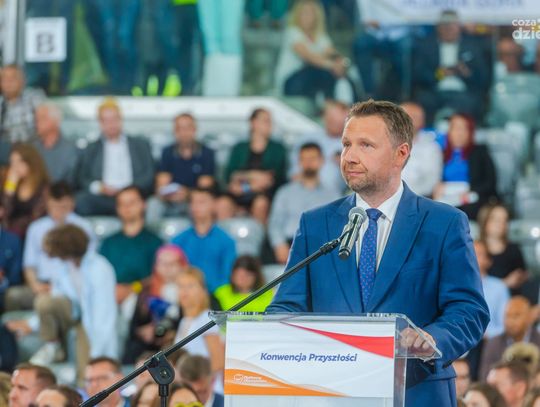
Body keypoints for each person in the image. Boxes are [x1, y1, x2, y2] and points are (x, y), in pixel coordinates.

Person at [267, 100, 490, 406]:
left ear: (401, 154)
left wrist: (432, 339)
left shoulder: (444, 223)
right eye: (346, 144)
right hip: (333, 394)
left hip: (416, 393)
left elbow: (468, 310)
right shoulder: (316, 224)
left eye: (366, 145)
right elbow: (286, 306)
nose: (350, 156)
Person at [30, 224, 118, 378]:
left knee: (86, 373)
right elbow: (57, 296)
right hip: (72, 314)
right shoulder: (64, 266)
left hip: (92, 323)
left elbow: (103, 315)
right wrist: (32, 324)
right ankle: (53, 345)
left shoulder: (100, 268)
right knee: (44, 302)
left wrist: (96, 353)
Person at [5, 181, 94, 312]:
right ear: (47, 204)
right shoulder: (36, 228)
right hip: (42, 285)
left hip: (73, 287)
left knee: (46, 304)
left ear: (72, 203)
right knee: (13, 296)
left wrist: (60, 287)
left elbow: (89, 263)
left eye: (62, 207)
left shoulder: (83, 227)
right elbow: (29, 265)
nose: (58, 211)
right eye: (54, 206)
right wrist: (35, 285)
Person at [75, 98, 154, 216]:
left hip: (133, 195)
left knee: (149, 204)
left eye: (114, 119)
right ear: (100, 123)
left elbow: (149, 175)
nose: (111, 124)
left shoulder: (140, 145)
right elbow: (82, 178)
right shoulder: (91, 149)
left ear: (121, 119)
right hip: (103, 197)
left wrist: (130, 189)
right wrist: (99, 188)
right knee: (80, 201)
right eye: (106, 120)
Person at [411, 10, 489, 125]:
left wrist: (466, 73)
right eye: (445, 25)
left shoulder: (473, 47)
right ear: (438, 27)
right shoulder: (426, 46)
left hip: (463, 91)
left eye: (452, 25)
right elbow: (418, 74)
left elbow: (483, 77)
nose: (448, 29)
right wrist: (440, 74)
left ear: (459, 26)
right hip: (435, 91)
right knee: (425, 99)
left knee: (470, 102)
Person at [269, 142, 340, 264]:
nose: (309, 163)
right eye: (304, 159)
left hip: (321, 248)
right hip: (289, 245)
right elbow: (275, 223)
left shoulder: (333, 195)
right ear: (299, 162)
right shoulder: (285, 192)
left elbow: (337, 227)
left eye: (312, 158)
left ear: (322, 161)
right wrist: (279, 245)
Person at [274, 0, 354, 102]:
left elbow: (332, 53)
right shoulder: (293, 32)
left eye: (310, 13)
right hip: (290, 82)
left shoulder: (320, 36)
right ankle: (328, 103)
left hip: (310, 81)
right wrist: (332, 66)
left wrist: (342, 63)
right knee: (319, 71)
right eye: (304, 13)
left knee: (347, 78)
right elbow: (309, 57)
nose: (307, 17)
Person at [123, 244, 188, 364]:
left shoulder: (188, 291)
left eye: (172, 264)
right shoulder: (145, 291)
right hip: (144, 350)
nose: (167, 268)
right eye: (163, 263)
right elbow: (133, 327)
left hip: (175, 350)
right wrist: (143, 331)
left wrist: (173, 333)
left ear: (182, 265)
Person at [99, 186, 162, 305]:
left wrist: (132, 289)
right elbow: (99, 274)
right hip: (109, 297)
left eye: (132, 203)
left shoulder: (155, 242)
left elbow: (158, 276)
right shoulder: (108, 243)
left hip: (142, 301)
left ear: (143, 204)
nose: (127, 207)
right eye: (122, 204)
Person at [147, 113, 215, 222]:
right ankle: (151, 233)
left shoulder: (206, 153)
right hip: (170, 199)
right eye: (180, 129)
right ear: (175, 131)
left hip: (192, 200)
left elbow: (205, 187)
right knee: (153, 204)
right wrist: (169, 194)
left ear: (195, 130)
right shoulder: (167, 152)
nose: (184, 133)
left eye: (188, 128)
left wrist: (187, 193)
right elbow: (162, 184)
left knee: (201, 202)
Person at [171, 187, 236, 294]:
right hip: (185, 294)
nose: (195, 206)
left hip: (216, 297)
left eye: (201, 202)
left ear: (214, 205)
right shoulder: (179, 240)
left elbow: (227, 276)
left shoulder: (226, 241)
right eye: (192, 202)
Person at [433, 113, 497, 220]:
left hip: (472, 199)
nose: (459, 133)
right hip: (446, 197)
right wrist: (437, 187)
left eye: (463, 129)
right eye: (455, 128)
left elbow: (490, 182)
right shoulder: (440, 153)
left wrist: (469, 190)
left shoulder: (480, 152)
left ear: (470, 132)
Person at [224, 108, 287, 213]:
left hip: (265, 195)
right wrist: (254, 175)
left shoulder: (278, 149)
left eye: (270, 121)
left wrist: (245, 186)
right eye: (265, 121)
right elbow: (230, 175)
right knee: (223, 204)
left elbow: (270, 179)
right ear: (253, 123)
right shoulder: (239, 148)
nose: (270, 125)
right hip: (237, 192)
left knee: (260, 204)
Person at [174, 267, 225, 380]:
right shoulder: (184, 321)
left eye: (190, 286)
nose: (184, 291)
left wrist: (200, 384)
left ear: (202, 290)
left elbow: (218, 361)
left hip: (203, 385)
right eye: (180, 286)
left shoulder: (206, 319)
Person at [289, 99, 349, 194]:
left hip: (334, 195)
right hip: (302, 191)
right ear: (325, 118)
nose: (336, 124)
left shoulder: (352, 144)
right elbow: (293, 170)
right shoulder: (307, 139)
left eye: (340, 121)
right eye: (332, 120)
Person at [479, 296, 540, 380]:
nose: (510, 321)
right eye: (507, 316)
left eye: (516, 316)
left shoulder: (538, 340)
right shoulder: (493, 344)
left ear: (529, 317)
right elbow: (485, 376)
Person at [478, 204, 529, 297]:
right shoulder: (475, 249)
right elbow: (474, 283)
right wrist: (505, 283)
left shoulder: (514, 248)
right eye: (496, 220)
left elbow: (525, 274)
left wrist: (520, 277)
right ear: (485, 221)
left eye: (505, 220)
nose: (501, 224)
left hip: (513, 299)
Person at [1, 143, 49, 238]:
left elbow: (36, 218)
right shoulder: (10, 182)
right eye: (12, 162)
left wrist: (10, 227)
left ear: (31, 162)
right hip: (8, 236)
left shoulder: (44, 188)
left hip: (30, 235)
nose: (14, 167)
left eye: (19, 162)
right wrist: (10, 187)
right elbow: (5, 211)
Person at [400, 102, 443, 197]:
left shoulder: (431, 147)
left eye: (414, 117)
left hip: (417, 198)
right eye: (406, 115)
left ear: (422, 122)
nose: (409, 120)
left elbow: (431, 181)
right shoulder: (384, 143)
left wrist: (405, 196)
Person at [32, 103, 79, 186]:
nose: (37, 122)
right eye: (36, 119)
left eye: (42, 118)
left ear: (56, 121)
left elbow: (71, 181)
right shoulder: (32, 148)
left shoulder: (71, 150)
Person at [0, 64, 46, 143]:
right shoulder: (1, 103)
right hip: (6, 149)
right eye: (4, 78)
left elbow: (47, 127)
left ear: (22, 81)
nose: (8, 82)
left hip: (34, 147)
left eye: (13, 78)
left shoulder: (34, 98)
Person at [474, 240, 509, 338]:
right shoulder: (453, 286)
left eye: (479, 254)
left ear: (488, 261)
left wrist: (485, 335)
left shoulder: (499, 288)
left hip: (490, 342)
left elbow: (505, 325)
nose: (472, 257)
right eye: (469, 252)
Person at [0, 225, 22, 312]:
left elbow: (16, 276)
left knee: (13, 295)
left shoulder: (13, 240)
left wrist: (2, 280)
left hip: (4, 290)